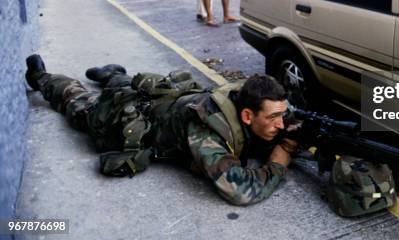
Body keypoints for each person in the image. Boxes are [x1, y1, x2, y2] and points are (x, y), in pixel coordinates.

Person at [24, 54, 298, 206]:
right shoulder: (205, 131)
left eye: (282, 116)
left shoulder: (248, 96)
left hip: (163, 100)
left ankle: (112, 73)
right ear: (248, 115)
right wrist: (278, 163)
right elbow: (239, 190)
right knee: (79, 102)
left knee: (125, 83)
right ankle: (42, 77)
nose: (280, 124)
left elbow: (286, 119)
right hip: (123, 119)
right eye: (274, 118)